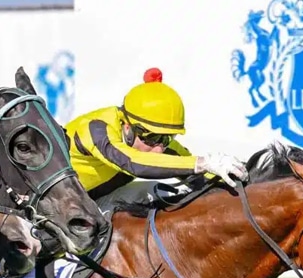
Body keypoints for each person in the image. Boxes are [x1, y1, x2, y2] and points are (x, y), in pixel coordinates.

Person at [64, 67, 249, 215]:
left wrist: (239, 177)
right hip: (50, 209)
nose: (159, 150)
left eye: (167, 138)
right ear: (127, 127)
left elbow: (199, 176)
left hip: (92, 201)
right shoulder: (96, 130)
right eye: (153, 138)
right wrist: (203, 163)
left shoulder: (155, 143)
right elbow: (133, 162)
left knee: (167, 191)